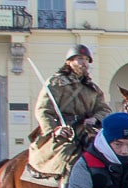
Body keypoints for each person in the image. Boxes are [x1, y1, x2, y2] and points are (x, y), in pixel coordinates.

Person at [29, 44, 114, 178]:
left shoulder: (93, 88)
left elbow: (104, 109)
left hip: (88, 131)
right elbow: (43, 110)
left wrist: (96, 118)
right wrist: (55, 130)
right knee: (69, 163)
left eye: (86, 59)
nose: (84, 63)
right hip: (65, 133)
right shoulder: (56, 83)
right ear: (69, 62)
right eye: (80, 59)